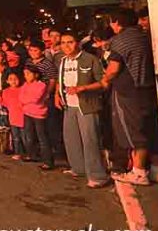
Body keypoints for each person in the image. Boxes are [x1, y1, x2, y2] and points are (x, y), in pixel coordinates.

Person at [103, 8, 157, 186]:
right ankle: (152, 167)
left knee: (132, 130)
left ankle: (139, 172)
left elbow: (113, 69)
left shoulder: (120, 40)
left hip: (128, 91)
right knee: (146, 127)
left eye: (111, 21)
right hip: (147, 87)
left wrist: (104, 79)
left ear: (117, 22)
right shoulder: (143, 36)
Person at [56, 32, 109, 188]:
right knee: (71, 139)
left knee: (90, 140)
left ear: (77, 43)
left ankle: (98, 176)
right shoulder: (62, 60)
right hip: (69, 105)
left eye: (70, 42)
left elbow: (104, 83)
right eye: (63, 42)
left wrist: (83, 88)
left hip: (87, 105)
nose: (66, 46)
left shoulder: (90, 59)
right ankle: (78, 168)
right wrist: (57, 95)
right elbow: (60, 80)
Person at [27, 40, 62, 160]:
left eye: (35, 50)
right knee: (31, 128)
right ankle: (33, 153)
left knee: (45, 127)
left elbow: (53, 80)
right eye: (31, 50)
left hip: (43, 97)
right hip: (31, 97)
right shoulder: (28, 62)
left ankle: (50, 153)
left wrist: (47, 93)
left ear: (42, 51)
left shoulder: (47, 64)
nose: (33, 53)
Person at [20, 65, 53, 170]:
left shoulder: (41, 85)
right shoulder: (25, 84)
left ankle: (48, 161)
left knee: (42, 137)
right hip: (27, 113)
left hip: (39, 114)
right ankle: (32, 155)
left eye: (28, 74)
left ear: (36, 75)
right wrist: (27, 99)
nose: (26, 76)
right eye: (25, 74)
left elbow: (35, 99)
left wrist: (26, 99)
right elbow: (21, 97)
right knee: (29, 136)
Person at [0, 72, 25, 160]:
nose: (13, 81)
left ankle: (28, 153)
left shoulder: (23, 89)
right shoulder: (5, 91)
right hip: (13, 117)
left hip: (23, 116)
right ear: (7, 81)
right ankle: (18, 153)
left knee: (25, 137)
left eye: (15, 79)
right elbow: (5, 104)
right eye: (11, 79)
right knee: (16, 137)